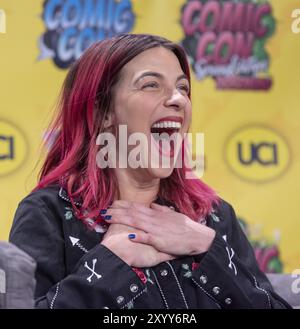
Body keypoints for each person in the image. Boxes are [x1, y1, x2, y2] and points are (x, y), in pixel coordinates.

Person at [9, 33, 290, 309]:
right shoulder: (48, 213)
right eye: (151, 84)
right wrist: (111, 262)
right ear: (102, 113)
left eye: (183, 88)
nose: (178, 99)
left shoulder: (214, 217)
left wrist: (207, 247)